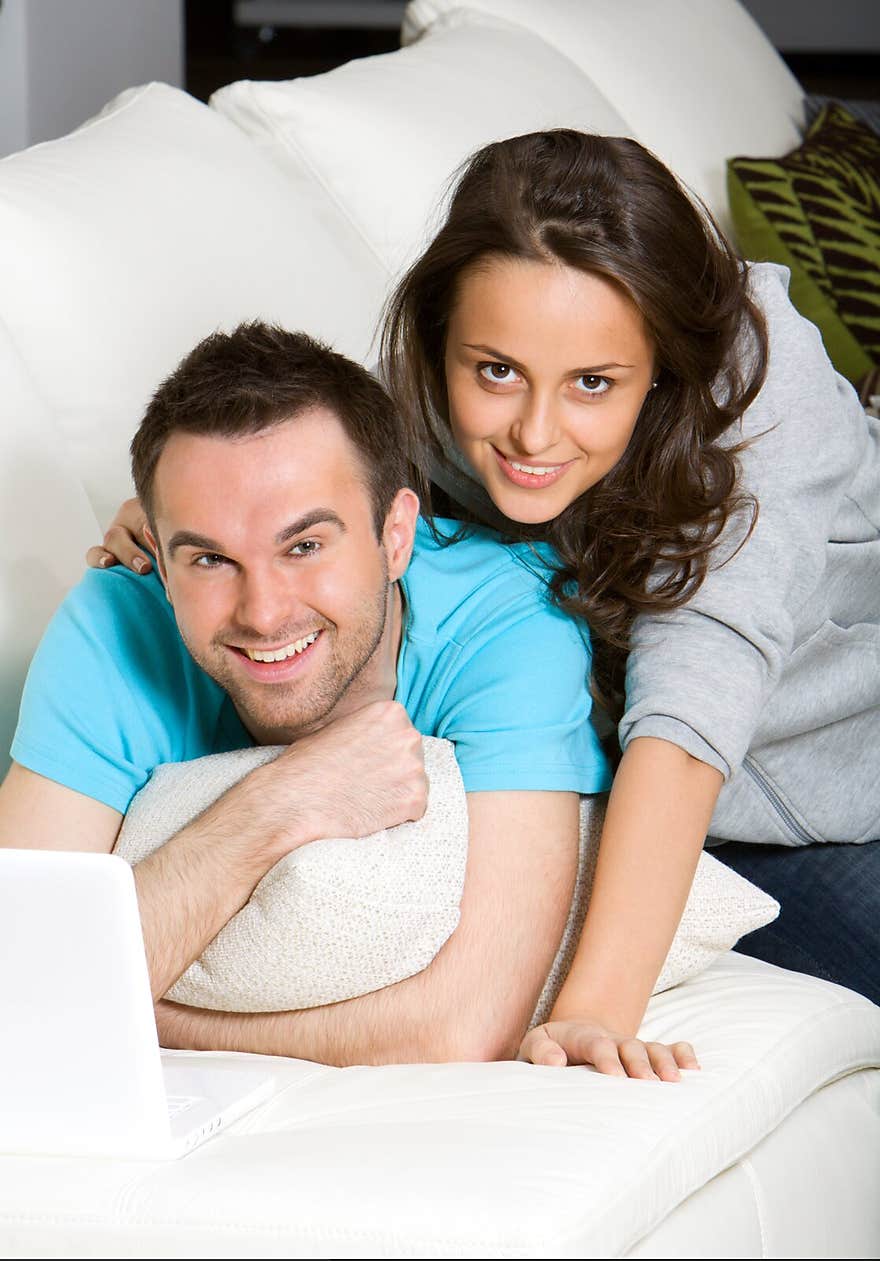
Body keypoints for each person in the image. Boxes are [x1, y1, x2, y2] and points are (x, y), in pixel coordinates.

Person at [92, 130, 880, 1063]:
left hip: (818, 794)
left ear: (661, 366)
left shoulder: (760, 397)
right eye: (496, 371)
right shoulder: (421, 406)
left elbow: (690, 711)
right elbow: (319, 484)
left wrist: (593, 1012)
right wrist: (192, 516)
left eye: (593, 384)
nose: (533, 435)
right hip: (596, 775)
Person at [0, 322, 698, 1078]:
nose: (263, 613)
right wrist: (277, 803)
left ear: (396, 536)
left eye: (304, 546)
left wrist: (145, 1012)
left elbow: (468, 1026)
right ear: (161, 566)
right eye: (209, 559)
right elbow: (19, 983)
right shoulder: (112, 622)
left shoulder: (511, 618)